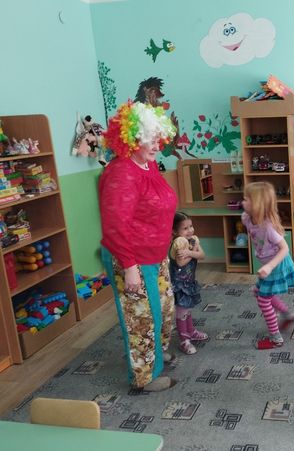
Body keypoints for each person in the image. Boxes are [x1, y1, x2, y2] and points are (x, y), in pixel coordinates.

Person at [99, 100, 177, 392]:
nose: (157, 144)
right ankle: (144, 378)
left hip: (156, 255)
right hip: (131, 258)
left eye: (159, 137)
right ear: (132, 138)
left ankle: (155, 355)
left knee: (164, 310)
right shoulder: (120, 173)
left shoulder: (148, 164)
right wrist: (130, 266)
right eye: (150, 138)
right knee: (141, 320)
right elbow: (115, 224)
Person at [241, 181, 294, 349]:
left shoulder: (268, 227)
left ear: (257, 204)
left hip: (277, 265)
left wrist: (269, 266)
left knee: (263, 300)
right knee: (261, 292)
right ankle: (288, 315)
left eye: (246, 199)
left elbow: (285, 248)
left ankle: (276, 338)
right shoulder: (246, 218)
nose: (243, 202)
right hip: (269, 265)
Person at [170, 212, 208, 355]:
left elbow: (202, 255)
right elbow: (181, 262)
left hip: (189, 281)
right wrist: (194, 252)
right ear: (175, 231)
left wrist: (191, 252)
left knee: (188, 309)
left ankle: (191, 331)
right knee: (182, 312)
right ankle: (184, 340)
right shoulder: (178, 243)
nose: (190, 230)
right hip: (179, 284)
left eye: (191, 226)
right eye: (185, 228)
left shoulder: (192, 240)